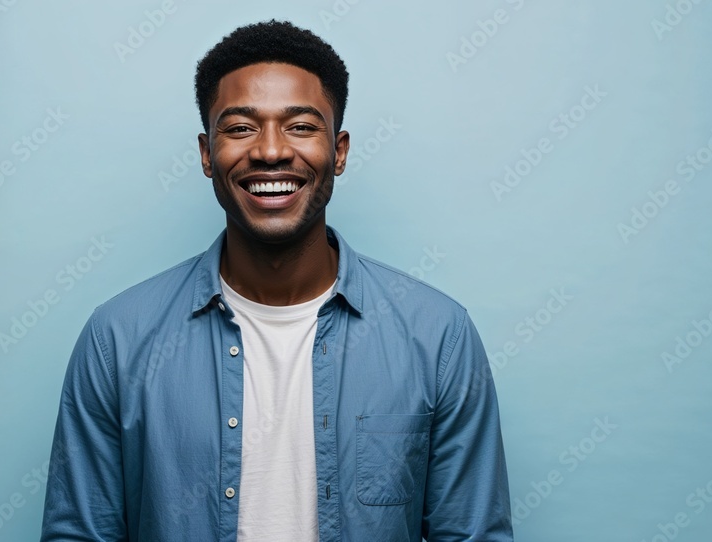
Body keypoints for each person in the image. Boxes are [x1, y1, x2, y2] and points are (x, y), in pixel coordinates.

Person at [41, 19, 513, 541]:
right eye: (241, 127)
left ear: (339, 151)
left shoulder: (438, 336)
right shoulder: (117, 339)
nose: (269, 150)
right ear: (206, 154)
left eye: (302, 126)